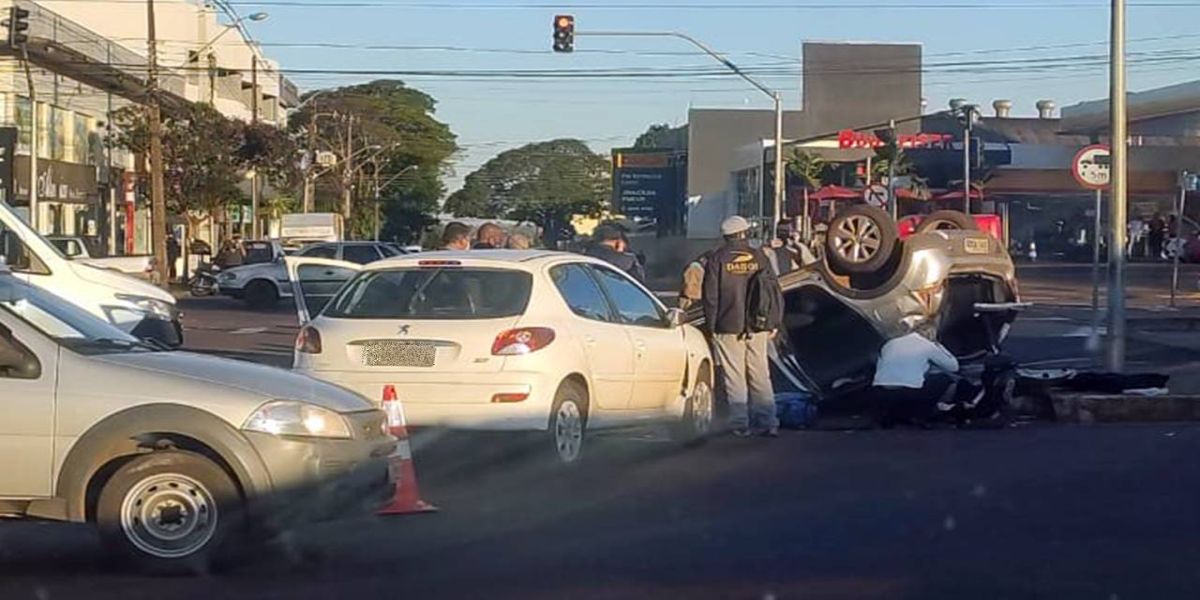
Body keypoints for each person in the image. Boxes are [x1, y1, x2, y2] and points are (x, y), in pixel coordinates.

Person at [702, 215, 784, 437]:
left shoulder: (716, 259)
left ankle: (740, 423)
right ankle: (768, 421)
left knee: (734, 375)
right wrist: (774, 322)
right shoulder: (760, 256)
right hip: (757, 325)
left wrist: (711, 326)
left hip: (727, 325)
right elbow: (774, 291)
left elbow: (710, 297)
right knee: (760, 373)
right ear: (745, 232)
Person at [871, 322, 979, 428]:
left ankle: (890, 416)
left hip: (880, 390)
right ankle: (920, 414)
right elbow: (954, 367)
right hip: (909, 392)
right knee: (942, 378)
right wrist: (939, 345)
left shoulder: (890, 343)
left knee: (902, 383)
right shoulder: (928, 345)